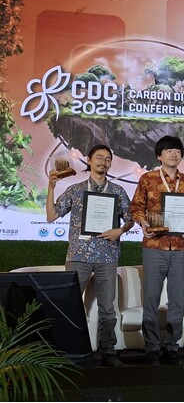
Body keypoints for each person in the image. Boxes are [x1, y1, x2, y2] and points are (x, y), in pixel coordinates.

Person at [46, 144, 133, 367]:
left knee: (107, 308)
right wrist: (51, 186)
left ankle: (108, 351)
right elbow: (52, 216)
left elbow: (130, 218)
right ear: (89, 160)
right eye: (99, 157)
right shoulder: (75, 189)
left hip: (107, 256)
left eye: (107, 159)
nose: (103, 162)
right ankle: (69, 350)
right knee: (70, 304)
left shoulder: (117, 191)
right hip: (78, 255)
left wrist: (121, 230)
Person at [130, 135, 184, 366]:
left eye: (177, 151)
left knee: (177, 300)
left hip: (181, 248)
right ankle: (152, 346)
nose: (174, 154)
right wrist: (144, 223)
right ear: (159, 156)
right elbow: (136, 207)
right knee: (151, 298)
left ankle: (172, 346)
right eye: (169, 151)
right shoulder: (148, 179)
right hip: (155, 246)